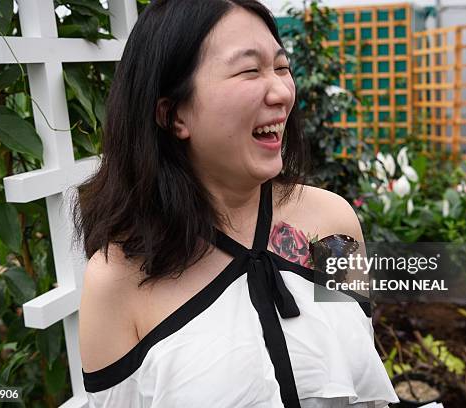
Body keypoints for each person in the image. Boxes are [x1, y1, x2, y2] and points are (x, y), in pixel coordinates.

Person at [74, 0, 399, 406]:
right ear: (173, 114)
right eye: (250, 70)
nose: (282, 92)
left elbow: (360, 377)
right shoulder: (117, 280)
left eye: (282, 67)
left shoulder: (333, 223)